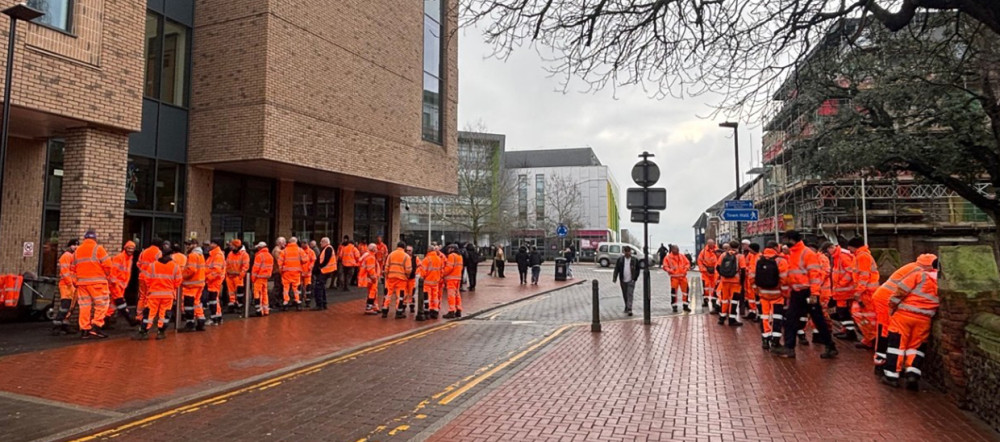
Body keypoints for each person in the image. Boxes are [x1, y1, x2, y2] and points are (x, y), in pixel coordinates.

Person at [771, 231, 837, 359]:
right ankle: (789, 347)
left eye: (786, 240)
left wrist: (814, 294)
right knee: (791, 319)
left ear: (792, 240)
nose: (784, 243)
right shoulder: (794, 253)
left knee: (818, 320)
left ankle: (830, 346)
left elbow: (815, 275)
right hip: (797, 292)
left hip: (807, 292)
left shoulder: (807, 254)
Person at [881, 254, 939, 390]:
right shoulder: (941, 282)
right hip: (925, 318)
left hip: (904, 315)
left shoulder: (919, 275)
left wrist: (892, 306)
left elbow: (900, 291)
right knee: (916, 347)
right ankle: (912, 373)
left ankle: (892, 376)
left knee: (897, 345)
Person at [871, 256, 929, 377]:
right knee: (885, 331)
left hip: (885, 297)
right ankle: (881, 362)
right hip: (886, 300)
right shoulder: (920, 272)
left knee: (885, 330)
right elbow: (904, 290)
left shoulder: (914, 267)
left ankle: (883, 363)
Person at [72, 230, 113, 339]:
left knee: (84, 306)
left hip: (82, 283)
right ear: (95, 239)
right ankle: (96, 326)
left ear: (85, 239)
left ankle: (84, 330)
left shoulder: (77, 251)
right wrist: (106, 276)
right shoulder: (98, 249)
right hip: (97, 283)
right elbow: (108, 265)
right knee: (102, 304)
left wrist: (75, 281)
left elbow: (72, 268)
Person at [135, 250, 181, 340]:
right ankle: (161, 332)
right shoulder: (175, 266)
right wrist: (171, 288)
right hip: (168, 295)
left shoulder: (152, 265)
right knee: (164, 314)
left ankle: (144, 332)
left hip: (153, 294)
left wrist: (152, 287)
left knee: (149, 313)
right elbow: (178, 281)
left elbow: (147, 279)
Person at [755, 241, 789, 350]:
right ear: (776, 248)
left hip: (763, 294)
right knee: (777, 317)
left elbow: (752, 276)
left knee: (764, 317)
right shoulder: (781, 260)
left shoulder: (759, 259)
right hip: (777, 295)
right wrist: (784, 293)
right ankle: (775, 341)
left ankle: (765, 339)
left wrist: (757, 290)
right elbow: (784, 279)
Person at [849, 237, 880, 351]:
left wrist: (858, 291)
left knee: (866, 316)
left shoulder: (862, 256)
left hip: (867, 292)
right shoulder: (862, 255)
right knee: (864, 315)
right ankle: (870, 338)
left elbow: (864, 276)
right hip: (867, 291)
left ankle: (873, 338)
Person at [827, 242, 858, 341]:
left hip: (845, 290)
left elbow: (850, 271)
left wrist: (841, 283)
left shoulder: (842, 256)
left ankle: (850, 332)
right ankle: (847, 330)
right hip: (841, 290)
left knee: (842, 311)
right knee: (842, 311)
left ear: (831, 248)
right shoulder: (837, 256)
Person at [105, 240, 136, 326]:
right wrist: (114, 283)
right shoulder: (119, 257)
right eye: (129, 248)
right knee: (120, 302)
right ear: (125, 248)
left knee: (114, 304)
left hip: (122, 285)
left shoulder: (130, 259)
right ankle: (130, 319)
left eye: (132, 249)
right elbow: (113, 271)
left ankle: (105, 318)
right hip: (115, 284)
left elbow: (127, 272)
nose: (130, 250)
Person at [135, 238, 164, 327]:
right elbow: (160, 266)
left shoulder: (144, 252)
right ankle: (147, 317)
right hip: (152, 279)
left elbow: (138, 264)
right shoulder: (159, 253)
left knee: (142, 297)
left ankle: (139, 316)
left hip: (142, 277)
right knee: (150, 297)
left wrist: (143, 271)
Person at [716, 241, 745, 326]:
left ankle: (722, 318)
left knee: (724, 300)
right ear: (738, 247)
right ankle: (732, 319)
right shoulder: (740, 256)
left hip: (725, 281)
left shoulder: (723, 255)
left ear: (729, 247)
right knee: (734, 301)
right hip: (735, 282)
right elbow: (743, 270)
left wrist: (723, 275)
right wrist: (742, 281)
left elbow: (717, 267)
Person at [53, 239, 79, 335]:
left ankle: (64, 324)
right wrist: (70, 284)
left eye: (77, 245)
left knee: (70, 307)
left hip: (73, 285)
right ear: (70, 246)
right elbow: (65, 271)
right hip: (67, 285)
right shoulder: (66, 256)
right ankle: (57, 326)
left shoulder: (73, 256)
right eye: (74, 245)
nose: (75, 247)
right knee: (65, 306)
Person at [181, 239, 207, 331]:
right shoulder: (200, 255)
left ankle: (190, 324)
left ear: (195, 245)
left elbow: (191, 270)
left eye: (189, 244)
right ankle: (201, 322)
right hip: (199, 283)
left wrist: (182, 276)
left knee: (188, 305)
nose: (187, 246)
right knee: (197, 303)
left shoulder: (192, 255)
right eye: (187, 244)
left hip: (191, 285)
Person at [383, 242, 413, 319]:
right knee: (400, 296)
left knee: (388, 294)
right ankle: (398, 312)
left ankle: (385, 310)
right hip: (401, 279)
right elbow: (408, 270)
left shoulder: (391, 254)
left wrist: (386, 275)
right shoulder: (406, 256)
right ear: (404, 247)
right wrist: (407, 276)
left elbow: (386, 267)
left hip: (391, 277)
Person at [278, 237, 307, 311]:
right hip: (296, 272)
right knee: (296, 288)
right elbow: (305, 260)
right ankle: (297, 301)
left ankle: (286, 302)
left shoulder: (284, 251)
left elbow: (280, 262)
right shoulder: (300, 250)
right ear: (296, 242)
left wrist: (281, 271)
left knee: (286, 288)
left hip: (286, 273)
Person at [419, 243, 445, 319]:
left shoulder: (426, 259)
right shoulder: (439, 259)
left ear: (428, 251)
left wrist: (421, 277)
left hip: (427, 282)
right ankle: (435, 310)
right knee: (435, 297)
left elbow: (423, 272)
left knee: (428, 297)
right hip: (436, 281)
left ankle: (428, 310)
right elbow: (442, 270)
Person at [613, 246, 640, 316]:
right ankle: (627, 306)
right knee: (625, 294)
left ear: (630, 252)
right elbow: (616, 269)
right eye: (626, 252)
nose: (628, 253)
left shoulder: (634, 260)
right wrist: (615, 278)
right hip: (623, 280)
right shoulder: (620, 260)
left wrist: (635, 278)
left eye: (629, 251)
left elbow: (638, 269)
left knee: (630, 294)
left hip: (631, 280)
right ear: (624, 252)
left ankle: (629, 308)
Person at [663, 245, 691, 313]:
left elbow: (687, 263)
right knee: (674, 293)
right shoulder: (668, 257)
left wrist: (685, 269)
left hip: (683, 277)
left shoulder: (682, 256)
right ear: (672, 250)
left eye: (678, 249)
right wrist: (670, 270)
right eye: (676, 249)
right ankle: (674, 306)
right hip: (674, 278)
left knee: (685, 292)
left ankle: (685, 305)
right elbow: (665, 266)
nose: (678, 251)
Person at [225, 239, 250, 313]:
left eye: (232, 245)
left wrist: (240, 276)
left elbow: (245, 266)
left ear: (236, 246)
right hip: (230, 276)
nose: (230, 247)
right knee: (231, 293)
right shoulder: (230, 253)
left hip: (237, 277)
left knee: (239, 293)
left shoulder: (244, 254)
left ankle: (240, 306)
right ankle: (232, 305)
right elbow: (227, 264)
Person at [205, 239, 226, 325]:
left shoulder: (217, 255)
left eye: (212, 243)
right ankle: (218, 316)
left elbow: (217, 271)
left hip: (214, 281)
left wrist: (207, 278)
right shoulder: (214, 254)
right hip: (213, 281)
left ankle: (214, 319)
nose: (210, 244)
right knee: (214, 300)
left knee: (213, 300)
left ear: (216, 244)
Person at [313, 237, 337, 311]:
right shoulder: (327, 248)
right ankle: (323, 303)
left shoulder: (328, 248)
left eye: (321, 242)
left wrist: (320, 267)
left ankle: (320, 304)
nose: (320, 243)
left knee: (319, 288)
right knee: (321, 287)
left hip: (324, 271)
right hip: (325, 271)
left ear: (325, 242)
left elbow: (325, 260)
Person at [252, 241, 274, 316]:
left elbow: (255, 268)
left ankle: (259, 311)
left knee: (257, 293)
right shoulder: (270, 256)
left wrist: (253, 278)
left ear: (260, 248)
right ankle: (266, 310)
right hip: (266, 277)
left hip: (259, 277)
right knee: (265, 293)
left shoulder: (259, 256)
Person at [443, 244, 465, 318]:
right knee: (457, 294)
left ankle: (451, 311)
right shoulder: (460, 256)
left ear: (452, 249)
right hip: (458, 278)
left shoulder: (451, 256)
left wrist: (443, 273)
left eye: (449, 248)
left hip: (451, 278)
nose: (448, 250)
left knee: (451, 295)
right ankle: (458, 309)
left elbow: (449, 267)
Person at [697, 240, 720, 310]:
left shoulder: (718, 251)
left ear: (714, 243)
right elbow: (700, 261)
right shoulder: (703, 251)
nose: (711, 245)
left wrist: (715, 269)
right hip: (706, 272)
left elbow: (720, 260)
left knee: (715, 287)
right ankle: (705, 300)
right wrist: (704, 270)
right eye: (709, 244)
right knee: (706, 287)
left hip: (715, 272)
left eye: (712, 244)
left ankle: (714, 300)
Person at [359, 243, 380, 314]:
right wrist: (374, 278)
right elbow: (370, 269)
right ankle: (369, 308)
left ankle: (374, 306)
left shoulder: (367, 255)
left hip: (367, 277)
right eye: (376, 248)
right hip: (370, 278)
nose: (377, 250)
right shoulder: (370, 257)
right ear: (373, 249)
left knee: (372, 292)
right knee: (372, 292)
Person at [743, 241, 760, 321]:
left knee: (757, 298)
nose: (749, 250)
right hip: (750, 281)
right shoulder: (752, 256)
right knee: (751, 297)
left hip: (755, 281)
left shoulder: (758, 257)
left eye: (750, 249)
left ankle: (758, 314)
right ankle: (752, 311)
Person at [405, 245, 419, 312]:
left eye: (409, 250)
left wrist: (416, 272)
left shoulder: (415, 258)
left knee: (412, 293)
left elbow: (420, 266)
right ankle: (403, 305)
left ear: (412, 251)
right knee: (404, 293)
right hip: (404, 278)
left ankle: (412, 306)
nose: (408, 252)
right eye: (407, 250)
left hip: (412, 278)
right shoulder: (404, 257)